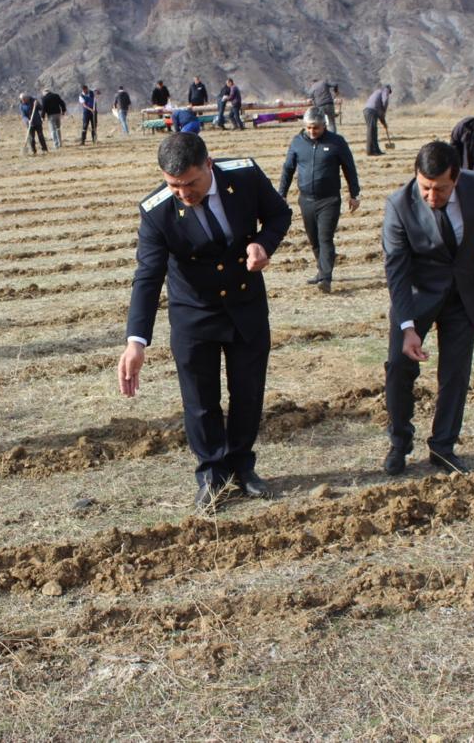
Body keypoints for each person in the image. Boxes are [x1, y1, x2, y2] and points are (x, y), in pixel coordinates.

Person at [118, 133, 292, 513]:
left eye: (190, 183)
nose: (182, 193)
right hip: (193, 313)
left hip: (245, 305)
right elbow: (147, 275)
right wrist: (136, 341)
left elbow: (280, 214)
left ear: (208, 165)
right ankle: (212, 474)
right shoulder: (156, 210)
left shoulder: (244, 176)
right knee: (200, 400)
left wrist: (264, 244)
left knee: (248, 393)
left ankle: (243, 467)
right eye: (173, 185)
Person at [382, 141, 474, 476]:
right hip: (416, 294)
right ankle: (399, 442)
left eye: (439, 189)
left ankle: (443, 447)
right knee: (399, 368)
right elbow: (396, 269)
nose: (431, 196)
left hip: (463, 293)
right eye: (425, 187)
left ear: (455, 178)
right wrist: (407, 327)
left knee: (455, 374)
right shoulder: (399, 205)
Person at [278, 107, 361, 294]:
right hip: (306, 200)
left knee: (325, 238)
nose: (312, 131)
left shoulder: (336, 142)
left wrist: (354, 194)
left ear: (324, 125)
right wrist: (281, 194)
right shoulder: (297, 142)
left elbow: (350, 168)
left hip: (329, 200)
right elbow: (287, 169)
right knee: (314, 239)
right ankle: (321, 270)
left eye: (315, 127)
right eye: (308, 128)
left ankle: (325, 278)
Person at [363, 84, 391, 155]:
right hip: (371, 111)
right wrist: (384, 110)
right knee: (372, 131)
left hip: (368, 110)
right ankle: (370, 151)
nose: (388, 94)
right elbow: (385, 101)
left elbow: (380, 114)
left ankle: (376, 150)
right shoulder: (385, 90)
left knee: (373, 130)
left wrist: (384, 123)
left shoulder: (377, 91)